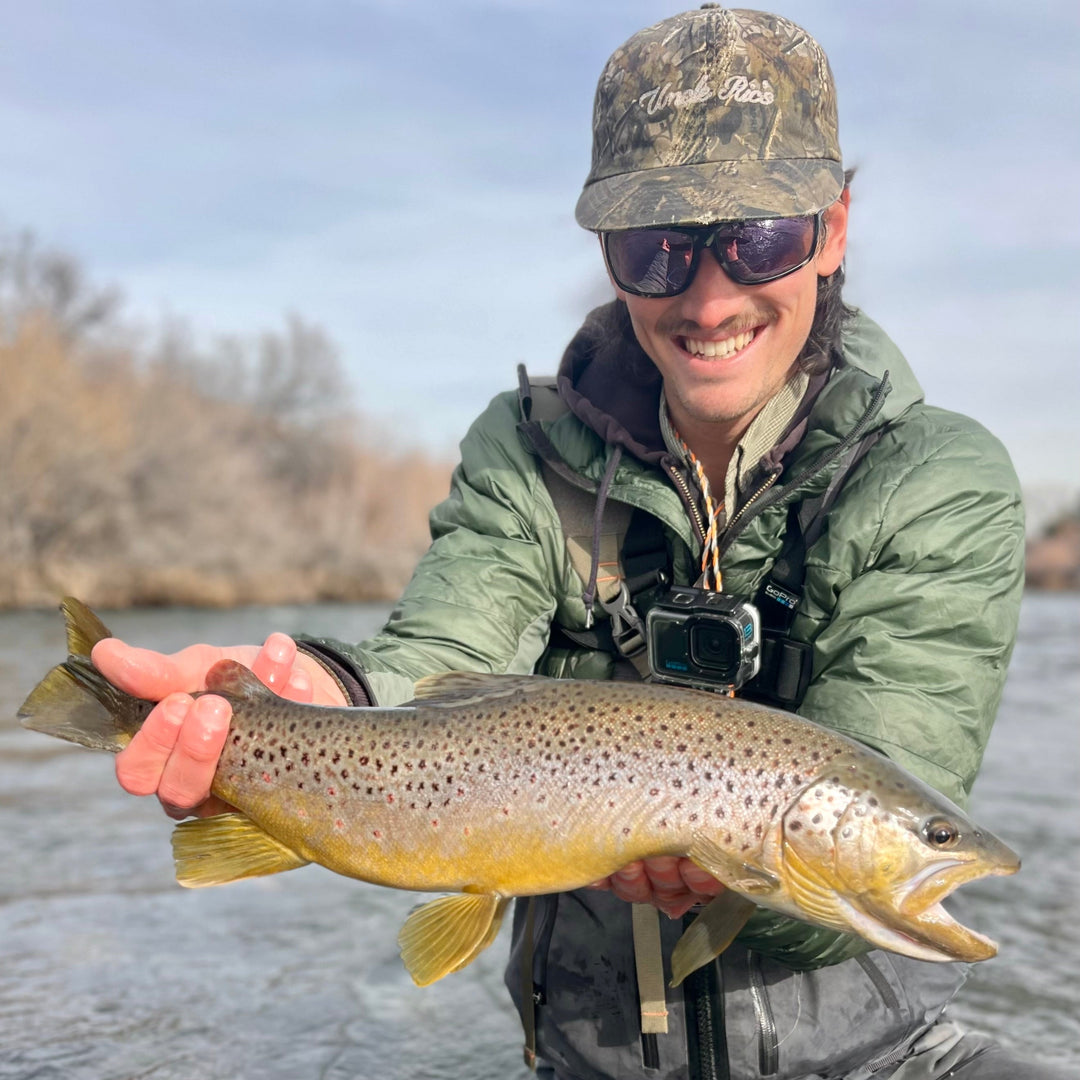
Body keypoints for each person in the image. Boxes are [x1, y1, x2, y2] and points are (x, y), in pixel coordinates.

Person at [92, 8, 1061, 1079]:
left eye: (760, 238)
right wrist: (320, 689)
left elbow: (902, 761)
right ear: (608, 254)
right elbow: (440, 647)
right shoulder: (524, 450)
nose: (709, 294)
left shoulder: (933, 478)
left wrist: (762, 872)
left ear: (833, 228)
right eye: (658, 247)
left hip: (882, 1055)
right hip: (592, 1055)